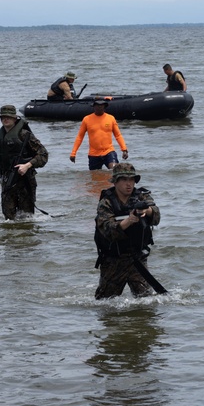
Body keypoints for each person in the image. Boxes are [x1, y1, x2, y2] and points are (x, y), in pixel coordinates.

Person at [94, 163, 163, 298]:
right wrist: (129, 221)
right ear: (115, 182)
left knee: (146, 303)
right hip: (113, 261)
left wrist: (147, 211)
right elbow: (108, 230)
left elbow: (156, 216)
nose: (129, 184)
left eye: (131, 180)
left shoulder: (141, 197)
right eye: (124, 179)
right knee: (105, 304)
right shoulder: (106, 202)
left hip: (137, 258)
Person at [0, 104, 49, 220]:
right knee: (8, 218)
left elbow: (43, 154)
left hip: (25, 181)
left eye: (8, 117)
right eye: (3, 117)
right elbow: (0, 161)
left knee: (26, 218)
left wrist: (27, 165)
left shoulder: (24, 134)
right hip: (7, 181)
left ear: (15, 118)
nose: (5, 119)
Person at [70, 100, 129, 170]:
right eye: (97, 105)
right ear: (94, 107)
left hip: (108, 151)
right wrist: (73, 153)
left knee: (114, 169)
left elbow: (118, 135)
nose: (99, 107)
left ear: (104, 107)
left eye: (101, 105)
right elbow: (80, 137)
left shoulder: (111, 118)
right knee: (95, 176)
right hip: (94, 154)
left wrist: (124, 149)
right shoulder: (87, 119)